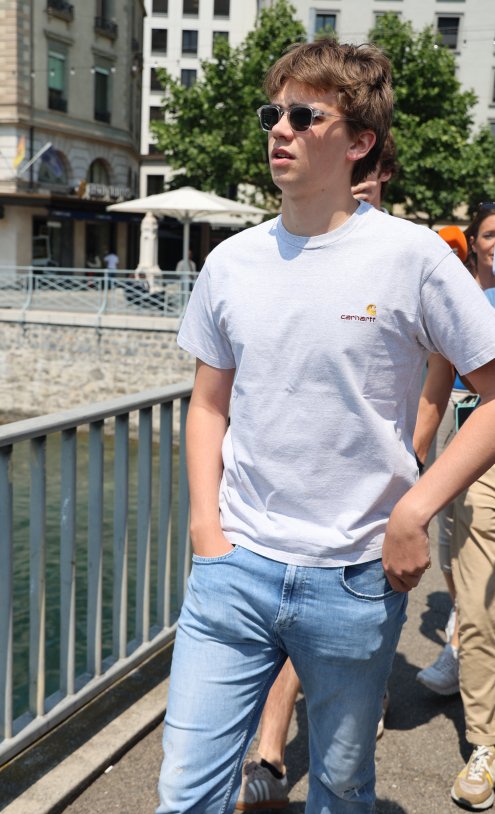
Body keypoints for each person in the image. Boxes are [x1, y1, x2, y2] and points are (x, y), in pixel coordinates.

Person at [157, 39, 495, 814]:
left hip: (353, 577)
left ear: (358, 141)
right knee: (184, 792)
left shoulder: (413, 257)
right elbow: (207, 404)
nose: (279, 129)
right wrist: (208, 531)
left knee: (341, 789)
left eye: (304, 116)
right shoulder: (230, 262)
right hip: (234, 571)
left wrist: (414, 509)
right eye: (272, 113)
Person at [236, 132, 399, 812]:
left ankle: (344, 719)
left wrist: (415, 491)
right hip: (272, 523)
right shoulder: (273, 251)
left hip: (370, 513)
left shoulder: (403, 256)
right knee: (288, 632)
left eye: (369, 177)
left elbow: (436, 381)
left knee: (343, 761)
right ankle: (271, 751)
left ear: (373, 169)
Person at [414, 204, 495, 811]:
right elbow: (437, 383)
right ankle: (485, 743)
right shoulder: (462, 298)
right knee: (474, 601)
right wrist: (412, 462)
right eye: (491, 234)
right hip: (476, 459)